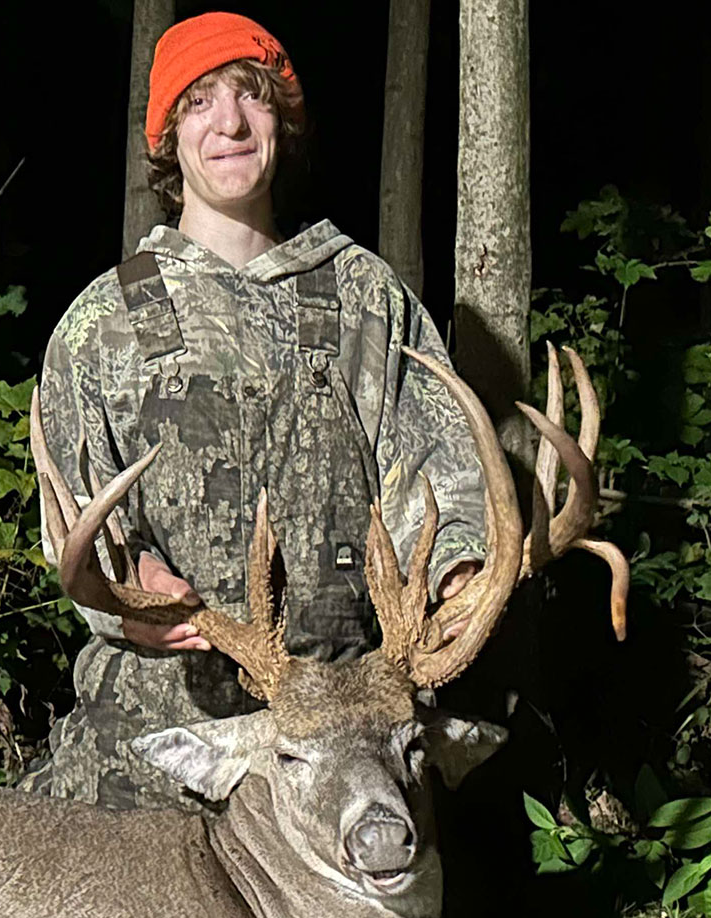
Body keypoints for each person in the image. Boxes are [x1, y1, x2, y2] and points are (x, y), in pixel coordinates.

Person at [24, 11, 487, 809]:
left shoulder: (363, 296)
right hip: (161, 733)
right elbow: (73, 520)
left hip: (342, 730)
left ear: (284, 120)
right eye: (199, 102)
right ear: (168, 138)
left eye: (252, 96)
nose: (230, 122)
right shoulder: (104, 323)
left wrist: (459, 572)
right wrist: (128, 590)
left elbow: (442, 475)